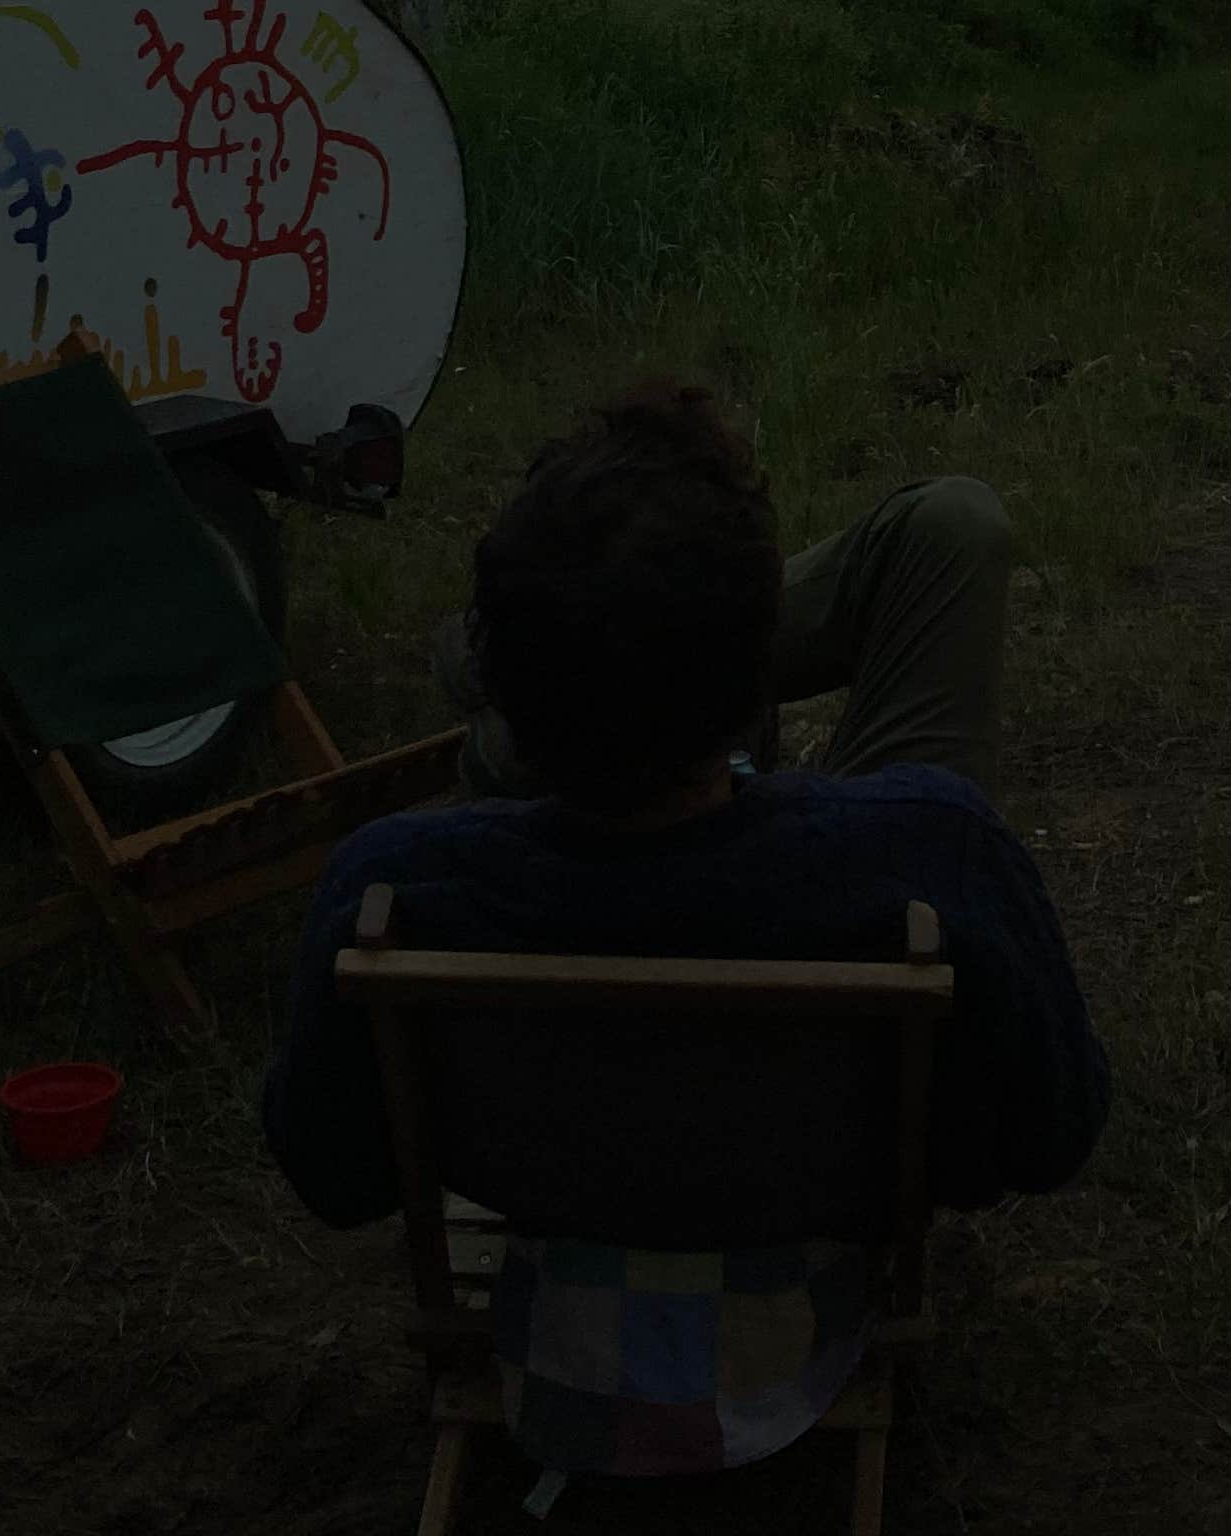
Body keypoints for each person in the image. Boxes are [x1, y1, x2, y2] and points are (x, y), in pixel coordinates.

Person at [262, 387, 1107, 1474]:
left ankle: (530, 657)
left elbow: (332, 1174)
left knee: (608, 643)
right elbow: (1052, 1133)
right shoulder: (930, 847)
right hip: (826, 1129)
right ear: (759, 676)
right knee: (950, 532)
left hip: (560, 1126)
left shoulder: (394, 888)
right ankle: (620, 649)